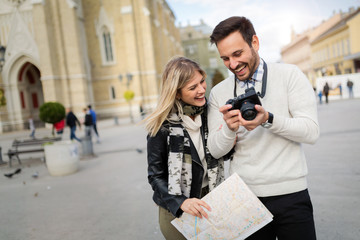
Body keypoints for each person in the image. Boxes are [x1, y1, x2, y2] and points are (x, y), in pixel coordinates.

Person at [208, 16, 319, 240]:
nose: (232, 65)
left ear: (255, 43)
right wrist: (229, 129)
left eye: (237, 54)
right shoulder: (218, 93)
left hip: (292, 194)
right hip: (244, 199)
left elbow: (311, 131)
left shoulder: (290, 75)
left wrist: (268, 119)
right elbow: (215, 150)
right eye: (225, 58)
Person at [145, 56, 225, 240]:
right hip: (176, 207)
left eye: (202, 82)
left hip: (211, 198)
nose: (201, 90)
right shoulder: (161, 128)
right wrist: (181, 202)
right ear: (177, 93)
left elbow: (219, 152)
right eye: (192, 87)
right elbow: (155, 176)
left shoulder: (209, 114)